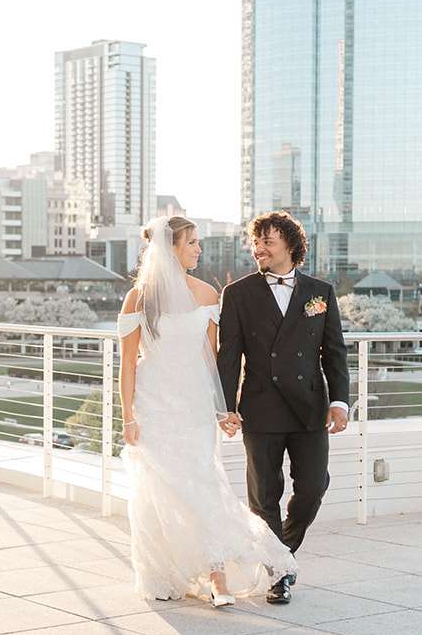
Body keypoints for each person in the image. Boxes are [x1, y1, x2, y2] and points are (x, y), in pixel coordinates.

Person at [118, 215, 296, 606]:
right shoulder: (139, 298)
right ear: (172, 248)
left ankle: (218, 577)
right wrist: (128, 417)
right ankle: (165, 569)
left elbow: (213, 360)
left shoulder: (207, 294)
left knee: (202, 483)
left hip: (194, 401)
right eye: (193, 243)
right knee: (161, 488)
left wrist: (222, 410)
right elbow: (128, 363)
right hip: (154, 402)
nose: (200, 249)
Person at [216, 211, 350, 604]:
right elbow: (229, 355)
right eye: (256, 242)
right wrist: (226, 407)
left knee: (312, 486)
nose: (258, 249)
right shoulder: (238, 293)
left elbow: (335, 353)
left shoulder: (320, 292)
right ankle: (278, 574)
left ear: (290, 246)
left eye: (268, 242)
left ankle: (282, 555)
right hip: (260, 406)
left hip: (310, 407)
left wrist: (340, 402)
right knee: (264, 496)